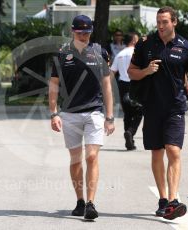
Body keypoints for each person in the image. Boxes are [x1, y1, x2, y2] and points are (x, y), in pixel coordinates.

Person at [128, 6, 188, 220]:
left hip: (175, 108)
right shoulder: (145, 44)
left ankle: (173, 201)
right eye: (158, 22)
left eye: (165, 22)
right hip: (152, 107)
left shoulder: (186, 47)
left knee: (173, 150)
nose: (161, 26)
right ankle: (163, 199)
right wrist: (145, 71)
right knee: (157, 153)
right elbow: (131, 73)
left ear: (174, 22)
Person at [49, 15, 115, 220]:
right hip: (69, 114)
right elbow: (53, 85)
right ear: (72, 31)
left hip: (94, 112)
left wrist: (110, 116)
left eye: (87, 32)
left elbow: (106, 85)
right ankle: (79, 200)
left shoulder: (100, 52)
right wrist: (54, 113)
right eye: (80, 32)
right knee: (76, 159)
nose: (84, 36)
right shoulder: (62, 54)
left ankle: (90, 203)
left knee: (92, 156)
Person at [111, 32, 143, 150]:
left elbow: (112, 73)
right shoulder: (137, 53)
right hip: (135, 84)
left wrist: (109, 90)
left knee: (127, 114)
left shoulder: (119, 54)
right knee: (139, 112)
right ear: (134, 40)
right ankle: (130, 132)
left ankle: (129, 141)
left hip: (122, 85)